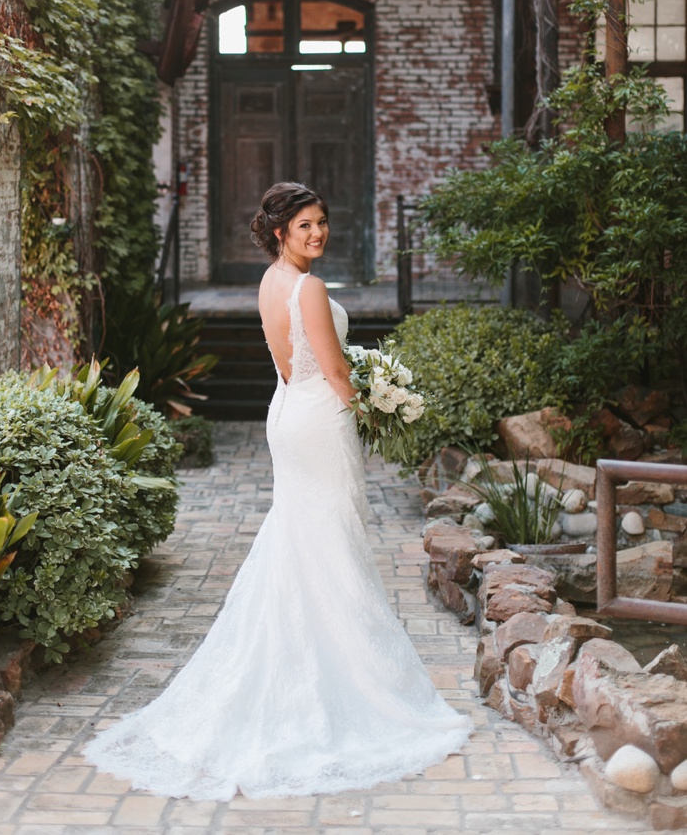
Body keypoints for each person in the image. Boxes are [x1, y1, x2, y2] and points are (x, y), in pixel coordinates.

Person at [83, 181, 470, 799]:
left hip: (290, 408)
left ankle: (303, 663)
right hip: (319, 417)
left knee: (304, 537)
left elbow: (292, 365)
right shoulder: (310, 287)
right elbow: (335, 369)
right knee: (330, 539)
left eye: (322, 222)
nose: (318, 234)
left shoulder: (270, 281)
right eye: (306, 225)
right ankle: (345, 681)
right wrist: (380, 410)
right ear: (281, 231)